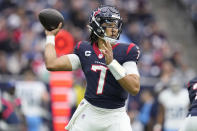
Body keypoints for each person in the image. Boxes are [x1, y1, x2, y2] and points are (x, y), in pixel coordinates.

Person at [44, 5, 140, 131]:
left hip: (115, 115)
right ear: (97, 26)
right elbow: (52, 64)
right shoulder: (85, 50)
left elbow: (134, 88)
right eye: (109, 24)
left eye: (116, 25)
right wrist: (50, 36)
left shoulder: (126, 50)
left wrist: (112, 64)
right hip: (90, 112)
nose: (114, 29)